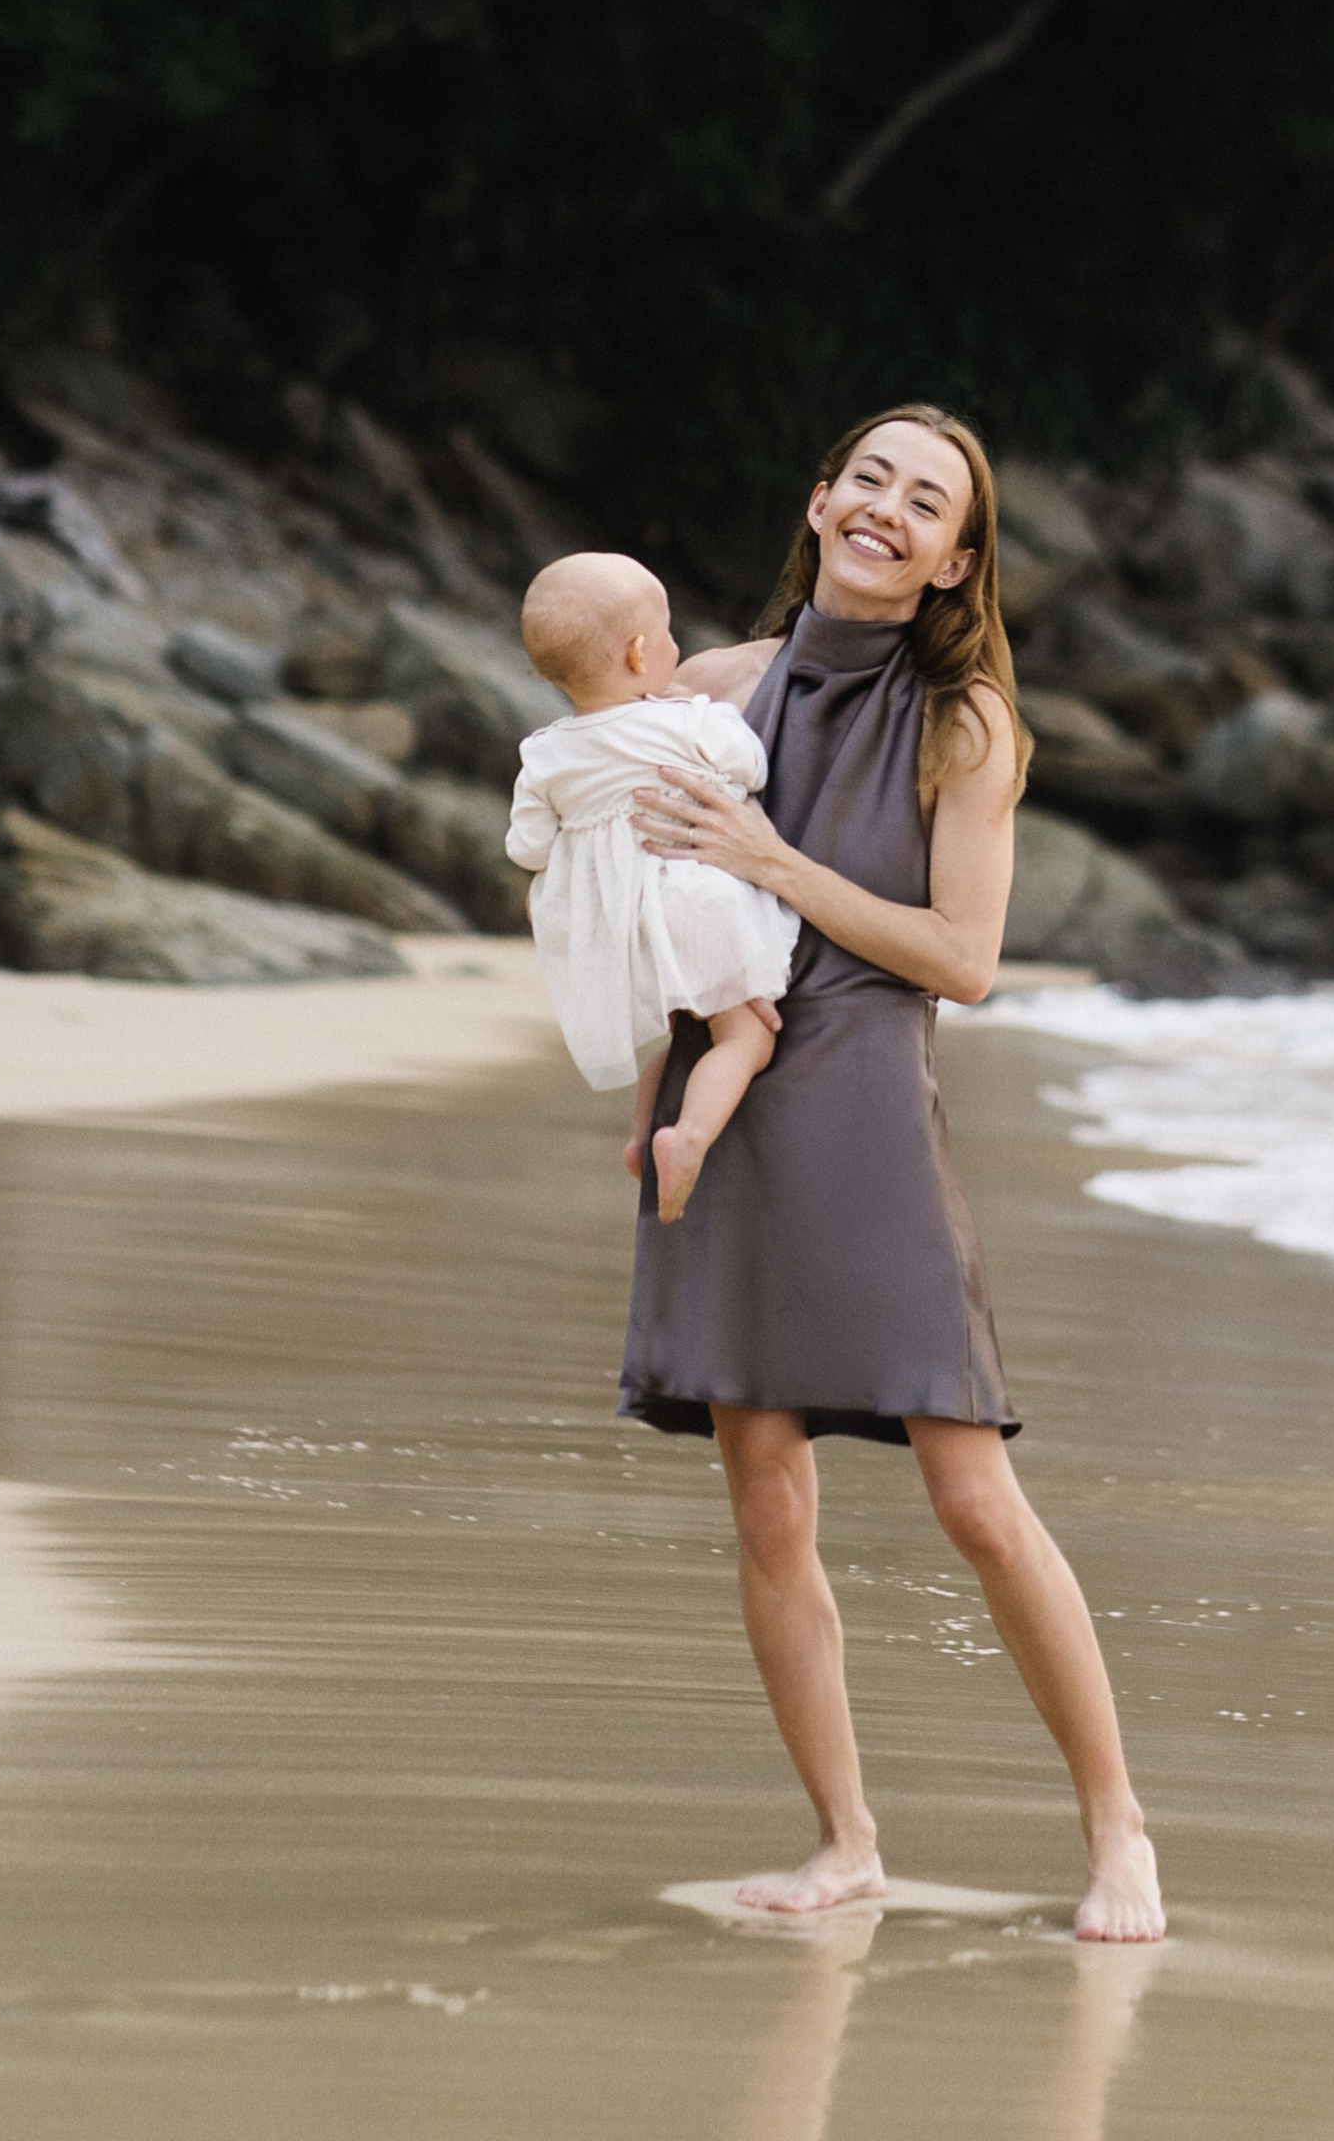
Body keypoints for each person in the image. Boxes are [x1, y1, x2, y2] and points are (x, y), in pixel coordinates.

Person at [622, 405, 1164, 1943]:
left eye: (925, 503)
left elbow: (967, 962)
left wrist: (775, 864)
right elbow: (643, 894)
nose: (887, 509)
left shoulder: (966, 720)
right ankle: (844, 1841)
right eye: (869, 478)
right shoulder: (720, 689)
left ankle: (1118, 1830)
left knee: (974, 1494)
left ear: (953, 561)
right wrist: (656, 1078)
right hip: (721, 1109)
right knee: (766, 1500)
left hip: (862, 1095)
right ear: (817, 500)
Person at [508, 550, 800, 1220]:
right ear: (640, 654)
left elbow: (527, 848)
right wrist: (705, 716)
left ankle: (641, 1136)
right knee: (745, 1038)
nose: (677, 647)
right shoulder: (687, 721)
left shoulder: (545, 754)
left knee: (679, 1032)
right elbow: (751, 767)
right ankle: (688, 1137)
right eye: (668, 634)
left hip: (616, 922)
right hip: (695, 900)